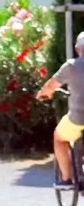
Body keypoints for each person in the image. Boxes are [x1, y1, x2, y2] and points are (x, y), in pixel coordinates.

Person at [37, 31, 84, 189]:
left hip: (78, 119)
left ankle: (66, 179)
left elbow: (51, 85)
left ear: (78, 49)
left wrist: (44, 93)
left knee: (59, 137)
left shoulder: (71, 66)